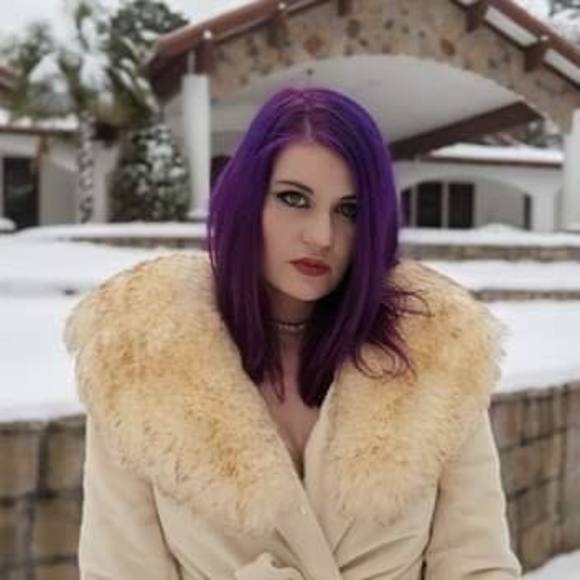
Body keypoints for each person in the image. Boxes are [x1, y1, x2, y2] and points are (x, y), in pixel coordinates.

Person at [64, 86, 522, 579]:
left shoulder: (438, 351)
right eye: (293, 198)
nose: (322, 236)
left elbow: (479, 566)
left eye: (349, 210)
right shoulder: (139, 358)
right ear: (246, 201)